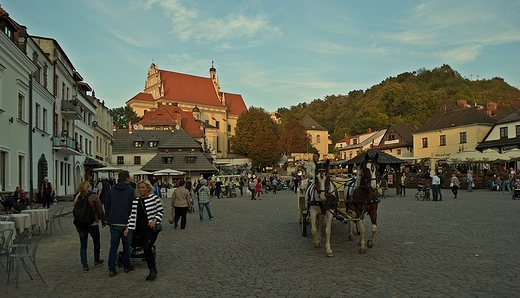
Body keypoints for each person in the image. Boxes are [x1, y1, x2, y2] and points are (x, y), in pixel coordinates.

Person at [124, 180, 164, 281]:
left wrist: (154, 220)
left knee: (146, 248)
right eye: (140, 188)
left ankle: (152, 269)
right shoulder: (136, 201)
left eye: (143, 187)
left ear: (148, 188)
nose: (141, 189)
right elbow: (132, 215)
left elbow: (160, 211)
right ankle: (151, 260)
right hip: (140, 229)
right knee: (145, 247)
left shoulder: (154, 198)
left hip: (151, 229)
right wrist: (128, 227)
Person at [105, 170, 135, 277]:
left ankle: (112, 269)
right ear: (127, 179)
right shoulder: (131, 190)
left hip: (114, 222)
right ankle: (127, 266)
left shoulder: (112, 190)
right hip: (127, 222)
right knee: (127, 245)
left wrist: (108, 218)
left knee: (113, 246)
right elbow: (134, 207)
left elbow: (107, 205)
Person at [73, 181, 106, 273]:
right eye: (89, 186)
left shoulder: (77, 197)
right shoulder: (93, 197)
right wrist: (103, 221)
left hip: (80, 225)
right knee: (96, 241)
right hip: (92, 223)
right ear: (87, 188)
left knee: (83, 245)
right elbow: (100, 210)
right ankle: (96, 259)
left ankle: (85, 265)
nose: (91, 187)